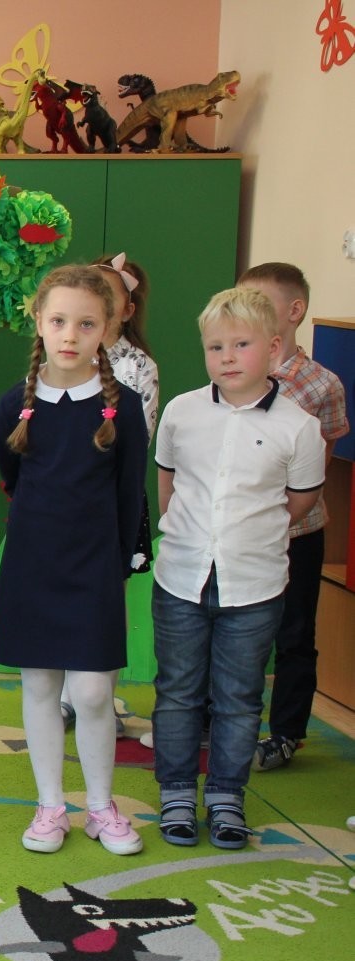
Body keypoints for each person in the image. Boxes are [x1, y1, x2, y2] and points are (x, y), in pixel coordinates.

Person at [153, 287, 324, 850]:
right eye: (215, 347)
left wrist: (247, 536)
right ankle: (177, 792)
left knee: (239, 697)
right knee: (177, 692)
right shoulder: (182, 412)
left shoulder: (298, 427)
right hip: (181, 577)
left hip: (254, 586)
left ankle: (226, 796)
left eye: (241, 345)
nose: (227, 357)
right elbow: (168, 484)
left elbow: (299, 501)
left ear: (273, 348)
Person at [0, 265, 149, 857]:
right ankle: (50, 805)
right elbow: (12, 477)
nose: (70, 335)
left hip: (94, 571)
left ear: (107, 328)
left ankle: (101, 807)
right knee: (40, 686)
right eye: (58, 320)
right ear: (39, 321)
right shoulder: (15, 404)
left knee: (91, 693)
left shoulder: (122, 409)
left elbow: (131, 493)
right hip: (33, 568)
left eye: (86, 324)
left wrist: (115, 569)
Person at [237, 263, 348, 772]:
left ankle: (285, 733)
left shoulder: (321, 384)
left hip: (297, 531)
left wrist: (285, 512)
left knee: (295, 633)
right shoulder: (237, 368)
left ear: (294, 311)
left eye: (257, 302)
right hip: (241, 528)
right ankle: (218, 719)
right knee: (232, 628)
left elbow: (321, 461)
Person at [62, 253, 157, 730]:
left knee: (104, 603)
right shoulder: (63, 360)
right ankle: (64, 696)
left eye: (106, 297)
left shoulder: (138, 366)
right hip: (63, 499)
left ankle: (99, 698)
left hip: (110, 500)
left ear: (125, 310)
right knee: (60, 597)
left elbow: (140, 438)